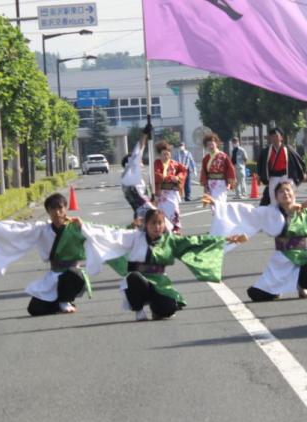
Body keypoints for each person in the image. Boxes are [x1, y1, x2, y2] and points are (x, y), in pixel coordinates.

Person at [84, 208, 245, 320]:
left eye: (160, 223)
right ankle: (138, 309)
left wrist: (225, 239)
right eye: (153, 223)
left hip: (160, 283)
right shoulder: (134, 237)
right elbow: (110, 233)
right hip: (139, 281)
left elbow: (195, 241)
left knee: (168, 309)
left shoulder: (170, 241)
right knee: (133, 277)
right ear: (146, 225)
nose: (157, 227)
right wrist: (83, 226)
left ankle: (157, 308)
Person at [209, 179, 307, 302]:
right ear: (276, 197)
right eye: (281, 192)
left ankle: (301, 286)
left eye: (288, 190)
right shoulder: (270, 213)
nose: (285, 193)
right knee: (256, 294)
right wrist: (217, 204)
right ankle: (275, 290)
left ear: (294, 193)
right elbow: (244, 211)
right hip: (282, 259)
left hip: (303, 258)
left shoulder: (305, 212)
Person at [0, 193, 96, 316]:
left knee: (73, 274)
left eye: (60, 208)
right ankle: (59, 304)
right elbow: (17, 229)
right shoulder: (42, 228)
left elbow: (98, 234)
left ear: (66, 208)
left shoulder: (76, 226)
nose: (57, 212)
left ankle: (65, 300)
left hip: (73, 275)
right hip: (54, 274)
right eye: (53, 209)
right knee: (34, 310)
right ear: (48, 211)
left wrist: (82, 226)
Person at [256, 128, 305, 207]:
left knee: (289, 196)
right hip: (273, 177)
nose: (274, 138)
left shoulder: (288, 149)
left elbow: (298, 161)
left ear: (281, 137)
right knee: (273, 197)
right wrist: (259, 176)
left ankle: (290, 213)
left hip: (286, 176)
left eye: (276, 136)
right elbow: (260, 164)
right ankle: (275, 215)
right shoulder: (266, 151)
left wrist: (302, 172)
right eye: (272, 136)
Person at [153, 141, 187, 233]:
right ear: (160, 155)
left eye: (168, 154)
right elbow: (156, 175)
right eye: (164, 154)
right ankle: (164, 229)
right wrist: (170, 177)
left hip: (172, 192)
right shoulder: (157, 163)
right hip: (161, 192)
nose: (166, 156)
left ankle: (175, 228)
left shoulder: (174, 163)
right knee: (162, 211)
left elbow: (183, 171)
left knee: (174, 209)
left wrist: (178, 177)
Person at [120, 127, 152, 219]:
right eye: (139, 161)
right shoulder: (128, 178)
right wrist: (144, 135)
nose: (141, 162)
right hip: (142, 213)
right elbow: (139, 150)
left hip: (143, 212)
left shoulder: (133, 177)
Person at [199, 133, 237, 205]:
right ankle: (216, 216)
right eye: (208, 144)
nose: (211, 146)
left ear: (216, 143)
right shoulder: (206, 158)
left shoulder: (223, 156)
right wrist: (205, 183)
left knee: (220, 202)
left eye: (212, 144)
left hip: (221, 183)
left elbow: (230, 168)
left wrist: (229, 181)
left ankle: (221, 216)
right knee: (212, 204)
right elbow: (204, 171)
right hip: (210, 183)